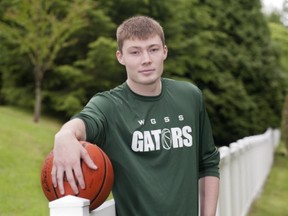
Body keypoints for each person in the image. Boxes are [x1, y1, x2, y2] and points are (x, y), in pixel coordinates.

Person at [52, 15, 220, 216]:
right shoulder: (108, 106)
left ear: (164, 52)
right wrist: (64, 135)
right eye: (135, 52)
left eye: (153, 49)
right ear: (120, 57)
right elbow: (83, 122)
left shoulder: (190, 97)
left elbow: (208, 162)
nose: (146, 59)